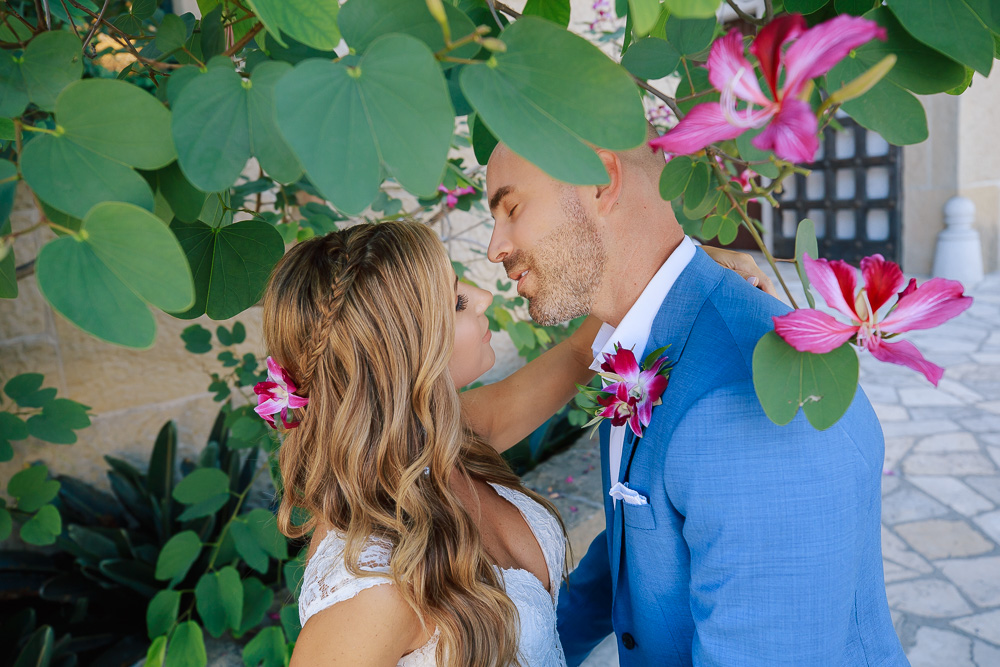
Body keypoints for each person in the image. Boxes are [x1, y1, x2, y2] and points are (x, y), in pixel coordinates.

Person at [260, 220, 772, 667]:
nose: (483, 298)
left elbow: (579, 351)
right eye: (458, 300)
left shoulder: (441, 435)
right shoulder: (371, 588)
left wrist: (687, 268)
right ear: (404, 354)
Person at [485, 134, 909, 666]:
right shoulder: (645, 333)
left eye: (512, 208)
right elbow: (638, 555)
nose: (494, 247)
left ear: (601, 180)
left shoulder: (745, 414)